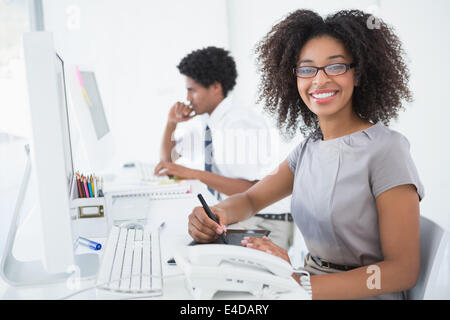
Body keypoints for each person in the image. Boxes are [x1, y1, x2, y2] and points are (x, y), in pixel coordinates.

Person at [187, 10, 424, 300]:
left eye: (335, 67)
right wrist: (216, 215)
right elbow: (251, 199)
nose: (319, 80)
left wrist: (300, 285)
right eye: (307, 69)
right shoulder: (308, 148)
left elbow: (403, 270)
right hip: (304, 284)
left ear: (359, 73)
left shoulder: (386, 150)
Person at [155, 46, 294, 250]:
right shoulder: (210, 120)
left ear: (215, 87)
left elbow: (250, 189)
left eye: (192, 90)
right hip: (241, 216)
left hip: (267, 221)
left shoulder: (239, 124)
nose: (187, 97)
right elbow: (168, 160)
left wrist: (192, 173)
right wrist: (171, 123)